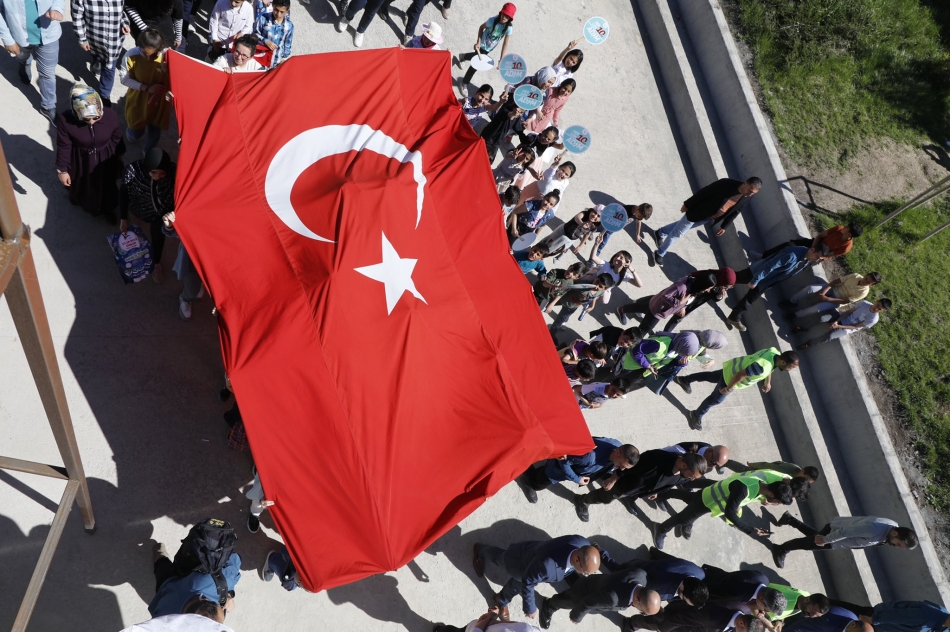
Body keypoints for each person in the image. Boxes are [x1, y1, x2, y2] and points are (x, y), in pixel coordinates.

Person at [472, 535, 601, 622]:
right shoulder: (548, 566)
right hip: (519, 562)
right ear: (577, 559)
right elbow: (528, 581)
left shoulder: (582, 543)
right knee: (499, 558)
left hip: (534, 560)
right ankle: (480, 550)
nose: (586, 575)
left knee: (517, 584)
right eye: (585, 571)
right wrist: (530, 608)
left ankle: (502, 600)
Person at [653, 474, 794, 550]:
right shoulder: (745, 489)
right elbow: (730, 513)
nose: (777, 504)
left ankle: (661, 494)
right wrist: (751, 530)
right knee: (684, 519)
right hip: (708, 501)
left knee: (688, 497)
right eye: (778, 502)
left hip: (711, 496)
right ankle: (660, 529)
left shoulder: (759, 484)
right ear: (771, 493)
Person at [675, 348, 800, 430]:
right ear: (783, 362)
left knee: (710, 376)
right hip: (731, 378)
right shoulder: (762, 367)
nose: (790, 370)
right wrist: (728, 389)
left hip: (731, 368)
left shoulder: (773, 352)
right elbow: (741, 375)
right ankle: (695, 415)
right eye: (791, 367)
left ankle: (685, 380)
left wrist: (768, 381)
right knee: (715, 399)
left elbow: (769, 367)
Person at [653, 177, 762, 266]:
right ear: (745, 183)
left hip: (708, 217)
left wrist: (724, 226)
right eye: (750, 190)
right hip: (697, 212)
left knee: (681, 227)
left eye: (753, 193)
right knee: (678, 233)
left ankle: (660, 232)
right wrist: (687, 204)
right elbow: (704, 192)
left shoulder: (747, 197)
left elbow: (736, 211)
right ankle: (659, 253)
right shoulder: (726, 183)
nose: (750, 194)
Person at [573, 450, 707, 522]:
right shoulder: (657, 458)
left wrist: (656, 492)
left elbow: (669, 484)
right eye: (692, 475)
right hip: (624, 484)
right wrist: (613, 479)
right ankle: (582, 501)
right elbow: (629, 466)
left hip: (636, 491)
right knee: (605, 497)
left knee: (608, 496)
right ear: (684, 465)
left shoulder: (682, 476)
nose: (692, 479)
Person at [55, 83, 124, 221]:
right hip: (81, 161)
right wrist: (62, 170)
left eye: (96, 117)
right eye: (85, 119)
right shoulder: (65, 120)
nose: (91, 122)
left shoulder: (110, 115)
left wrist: (118, 155)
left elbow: (117, 137)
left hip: (105, 158)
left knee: (106, 186)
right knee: (83, 185)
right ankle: (84, 203)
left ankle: (106, 209)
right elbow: (64, 145)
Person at [726, 245, 822, 331]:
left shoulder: (805, 259)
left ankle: (734, 317)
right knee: (733, 278)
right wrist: (756, 279)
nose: (817, 260)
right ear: (812, 250)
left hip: (767, 281)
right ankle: (717, 282)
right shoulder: (792, 255)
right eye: (817, 257)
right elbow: (770, 265)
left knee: (749, 299)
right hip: (758, 273)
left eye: (820, 259)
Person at [771, 514, 918, 569]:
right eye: (898, 544)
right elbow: (846, 532)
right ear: (895, 533)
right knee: (808, 544)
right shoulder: (875, 530)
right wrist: (826, 539)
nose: (896, 547)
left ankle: (790, 519)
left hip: (836, 536)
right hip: (834, 535)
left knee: (813, 537)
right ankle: (781, 549)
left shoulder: (892, 527)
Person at [0, 0, 64, 124]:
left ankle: (48, 106)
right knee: (22, 56)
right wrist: (7, 39)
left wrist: (57, 8)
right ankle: (24, 63)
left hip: (49, 35)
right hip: (18, 35)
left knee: (48, 74)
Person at [518, 438, 639, 503]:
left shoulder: (617, 446)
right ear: (617, 452)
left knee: (540, 473)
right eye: (622, 465)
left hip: (572, 466)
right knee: (538, 483)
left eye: (625, 468)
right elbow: (563, 461)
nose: (622, 469)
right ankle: (527, 480)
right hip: (556, 470)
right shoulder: (589, 457)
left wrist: (613, 478)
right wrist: (577, 479)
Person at [540, 565, 661, 629]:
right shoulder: (613, 599)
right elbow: (587, 603)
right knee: (567, 600)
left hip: (597, 581)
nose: (640, 612)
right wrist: (576, 616)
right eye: (642, 611)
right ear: (637, 600)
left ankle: (571, 576)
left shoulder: (641, 575)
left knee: (578, 583)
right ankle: (549, 605)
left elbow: (623, 567)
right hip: (584, 594)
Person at [120, 148, 176, 283]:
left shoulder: (174, 172)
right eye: (153, 172)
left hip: (161, 215)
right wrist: (123, 218)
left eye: (162, 174)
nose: (157, 177)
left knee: (158, 239)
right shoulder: (133, 171)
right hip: (139, 209)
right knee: (134, 236)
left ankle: (156, 263)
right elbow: (123, 194)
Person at [619, 268, 736, 333]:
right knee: (643, 330)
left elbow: (687, 300)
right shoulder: (683, 288)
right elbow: (665, 295)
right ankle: (630, 338)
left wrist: (683, 306)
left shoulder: (695, 290)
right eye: (707, 288)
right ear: (702, 285)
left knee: (643, 307)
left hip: (660, 307)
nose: (708, 291)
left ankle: (622, 309)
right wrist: (679, 304)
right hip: (658, 311)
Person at [148, 541, 239, 618]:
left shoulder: (213, 583)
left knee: (162, 565)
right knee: (161, 568)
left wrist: (227, 595)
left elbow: (235, 559)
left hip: (169, 582)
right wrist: (229, 595)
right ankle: (159, 554)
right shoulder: (163, 618)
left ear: (206, 600)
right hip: (165, 591)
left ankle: (159, 552)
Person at [120, 28, 171, 154]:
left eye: (154, 55)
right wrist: (148, 88)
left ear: (161, 47)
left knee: (155, 131)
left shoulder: (168, 56)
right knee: (135, 131)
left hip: (159, 103)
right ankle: (132, 134)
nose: (149, 59)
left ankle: (148, 151)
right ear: (140, 47)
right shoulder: (131, 55)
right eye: (145, 54)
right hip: (138, 99)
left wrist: (158, 94)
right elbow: (124, 79)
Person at [602, 548, 709, 607]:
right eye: (684, 600)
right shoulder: (662, 582)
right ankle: (600, 554)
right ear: (682, 588)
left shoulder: (700, 573)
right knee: (618, 573)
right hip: (635, 571)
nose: (682, 601)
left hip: (654, 566)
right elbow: (642, 589)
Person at [71, 0, 127, 107]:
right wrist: (82, 39)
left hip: (114, 41)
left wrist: (125, 23)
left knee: (109, 67)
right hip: (95, 38)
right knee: (97, 54)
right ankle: (97, 59)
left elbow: (122, 11)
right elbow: (77, 16)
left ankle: (105, 94)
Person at [455, 3, 514, 96]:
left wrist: (501, 59)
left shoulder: (509, 28)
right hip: (482, 45)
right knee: (475, 65)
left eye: (507, 16)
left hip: (489, 48)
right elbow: (481, 28)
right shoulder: (492, 20)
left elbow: (505, 44)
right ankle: (464, 82)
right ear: (501, 12)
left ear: (510, 18)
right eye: (503, 14)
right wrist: (478, 42)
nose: (504, 17)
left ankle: (463, 56)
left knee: (476, 57)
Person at [794, 299, 890, 350]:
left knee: (829, 336)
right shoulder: (864, 304)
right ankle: (804, 328)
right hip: (842, 317)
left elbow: (855, 327)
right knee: (823, 318)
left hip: (847, 328)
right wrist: (837, 321)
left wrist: (838, 326)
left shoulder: (873, 319)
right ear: (877, 301)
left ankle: (808, 344)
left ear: (883, 311)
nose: (876, 308)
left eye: (879, 309)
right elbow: (849, 311)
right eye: (878, 305)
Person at [700, 565, 788, 618]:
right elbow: (710, 591)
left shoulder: (764, 579)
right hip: (703, 581)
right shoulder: (738, 592)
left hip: (717, 575)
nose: (764, 612)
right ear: (762, 598)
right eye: (765, 609)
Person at [782, 272, 882, 317]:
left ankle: (796, 315)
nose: (865, 281)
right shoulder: (855, 276)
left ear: (872, 285)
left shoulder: (863, 292)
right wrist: (823, 293)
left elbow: (845, 301)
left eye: (868, 282)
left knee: (817, 308)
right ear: (866, 275)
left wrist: (826, 299)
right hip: (832, 289)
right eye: (866, 278)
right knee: (810, 288)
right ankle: (792, 301)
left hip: (837, 301)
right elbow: (835, 281)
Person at [665, 269, 737, 331]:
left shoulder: (720, 285)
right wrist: (683, 307)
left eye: (729, 288)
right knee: (665, 311)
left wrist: (719, 296)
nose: (726, 289)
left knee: (677, 319)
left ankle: (665, 334)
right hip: (683, 300)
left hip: (693, 304)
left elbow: (714, 297)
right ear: (722, 279)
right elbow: (690, 289)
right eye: (725, 286)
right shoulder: (708, 278)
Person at [758, 222, 864, 261]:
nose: (844, 227)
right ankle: (763, 256)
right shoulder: (838, 228)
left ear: (849, 235)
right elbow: (820, 236)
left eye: (847, 228)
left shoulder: (846, 247)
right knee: (789, 245)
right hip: (815, 244)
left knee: (795, 259)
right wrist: (813, 247)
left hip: (820, 254)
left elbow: (828, 255)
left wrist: (816, 256)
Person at [628, 603, 768, 632]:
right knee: (658, 622)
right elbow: (680, 619)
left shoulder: (742, 611)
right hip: (683, 621)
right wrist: (662, 629)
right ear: (742, 623)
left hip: (693, 622)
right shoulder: (711, 618)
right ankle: (632, 623)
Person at [549, 273, 613, 330]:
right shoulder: (582, 284)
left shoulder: (601, 292)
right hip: (563, 298)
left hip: (572, 307)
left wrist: (592, 306)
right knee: (547, 305)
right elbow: (568, 286)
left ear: (604, 289)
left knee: (561, 319)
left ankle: (552, 332)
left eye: (600, 286)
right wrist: (553, 303)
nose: (596, 286)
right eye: (597, 281)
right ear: (596, 278)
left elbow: (595, 297)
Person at [434, 607, 541, 632]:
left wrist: (490, 616)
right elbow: (516, 625)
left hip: (473, 627)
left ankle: (439, 629)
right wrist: (494, 621)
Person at [868, 600, 950, 632]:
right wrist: (872, 620)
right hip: (875, 620)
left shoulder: (945, 628)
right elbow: (896, 616)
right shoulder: (927, 616)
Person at [254, 0, 292, 68]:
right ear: (272, 6)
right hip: (262, 60)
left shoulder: (289, 26)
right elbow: (254, 35)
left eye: (282, 12)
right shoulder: (263, 18)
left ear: (287, 11)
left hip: (277, 62)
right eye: (276, 10)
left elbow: (287, 44)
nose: (278, 14)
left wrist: (284, 58)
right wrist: (265, 41)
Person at [783, 607, 870, 632]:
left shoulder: (853, 620)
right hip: (801, 621)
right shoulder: (828, 621)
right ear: (853, 624)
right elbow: (800, 627)